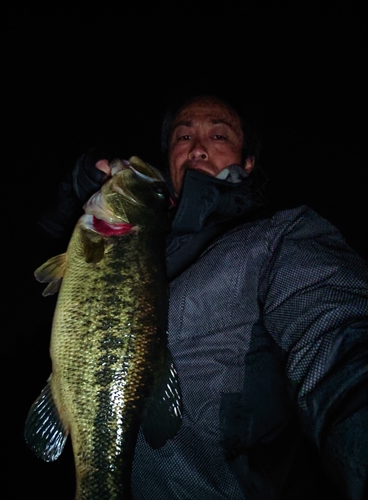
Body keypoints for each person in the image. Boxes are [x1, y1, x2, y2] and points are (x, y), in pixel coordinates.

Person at [37, 90, 368, 499]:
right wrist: (75, 190)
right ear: (169, 158)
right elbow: (44, 242)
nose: (197, 148)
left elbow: (340, 344)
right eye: (183, 136)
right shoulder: (148, 241)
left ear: (247, 162)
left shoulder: (282, 239)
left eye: (219, 136)